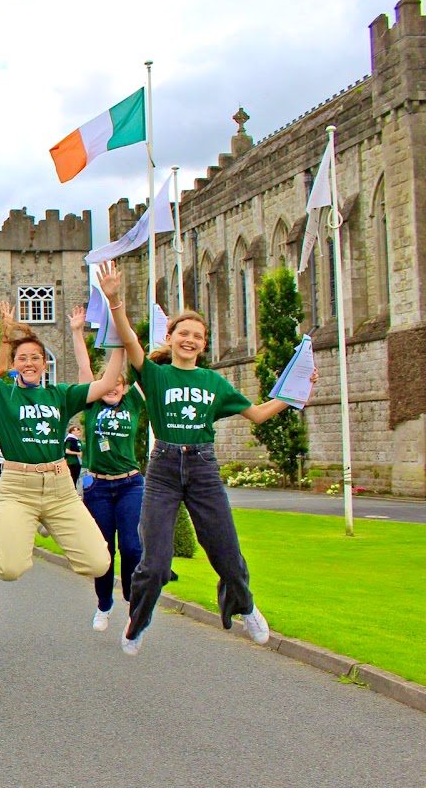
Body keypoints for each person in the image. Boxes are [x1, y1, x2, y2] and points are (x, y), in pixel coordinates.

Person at [99, 264, 318, 655]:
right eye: (183, 333)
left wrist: (293, 393)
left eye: (197, 336)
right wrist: (115, 299)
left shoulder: (214, 383)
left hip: (202, 469)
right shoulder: (153, 374)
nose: (190, 339)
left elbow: (258, 414)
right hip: (164, 469)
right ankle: (138, 622)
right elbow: (130, 340)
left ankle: (245, 606)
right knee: (155, 560)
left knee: (226, 552)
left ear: (204, 345)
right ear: (170, 337)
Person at [0, 276, 121, 604]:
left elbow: (105, 384)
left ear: (44, 362)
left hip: (60, 486)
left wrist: (116, 320)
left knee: (99, 562)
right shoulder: (0, 394)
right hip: (19, 487)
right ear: (16, 365)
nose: (30, 363)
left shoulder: (59, 394)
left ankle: (31, 522)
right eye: (23, 358)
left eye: (36, 357)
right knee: (8, 569)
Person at [68, 305, 145, 632]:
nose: (113, 389)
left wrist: (123, 329)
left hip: (129, 484)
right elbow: (85, 367)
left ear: (125, 388)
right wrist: (75, 332)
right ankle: (103, 603)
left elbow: (140, 364)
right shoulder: (93, 403)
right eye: (108, 384)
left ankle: (129, 594)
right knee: (103, 552)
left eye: (118, 385)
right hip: (98, 488)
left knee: (131, 546)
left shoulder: (134, 402)